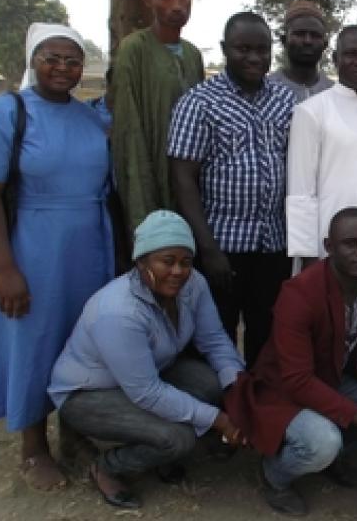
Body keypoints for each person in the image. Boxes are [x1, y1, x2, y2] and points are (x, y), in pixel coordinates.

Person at [0, 23, 114, 491]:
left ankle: (75, 435)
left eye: (73, 60)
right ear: (33, 59)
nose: (63, 68)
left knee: (81, 343)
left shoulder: (93, 117)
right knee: (33, 342)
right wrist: (6, 269)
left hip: (89, 246)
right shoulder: (6, 112)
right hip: (32, 247)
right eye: (52, 58)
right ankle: (33, 449)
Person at [224, 208, 357, 517]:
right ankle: (274, 474)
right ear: (329, 247)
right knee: (322, 443)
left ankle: (334, 459)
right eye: (351, 243)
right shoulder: (299, 294)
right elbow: (296, 380)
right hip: (283, 392)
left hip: (333, 379)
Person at [49, 210, 245, 509]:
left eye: (185, 261)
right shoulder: (118, 312)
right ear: (141, 262)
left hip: (149, 375)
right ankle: (106, 466)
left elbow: (215, 340)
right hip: (88, 394)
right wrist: (218, 419)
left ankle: (157, 451)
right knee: (177, 438)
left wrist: (237, 390)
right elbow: (147, 393)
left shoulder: (193, 285)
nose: (178, 271)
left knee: (211, 385)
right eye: (167, 261)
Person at [168, 12, 296, 368]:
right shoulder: (199, 102)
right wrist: (207, 248)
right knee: (216, 336)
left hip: (273, 244)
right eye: (243, 49)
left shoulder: (285, 102)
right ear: (226, 49)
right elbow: (182, 178)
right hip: (221, 246)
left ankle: (259, 412)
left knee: (268, 335)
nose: (254, 57)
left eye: (262, 49)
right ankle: (219, 415)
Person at [287, 25, 357, 281]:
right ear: (336, 59)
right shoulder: (311, 111)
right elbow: (300, 193)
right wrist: (307, 257)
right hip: (326, 244)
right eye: (351, 54)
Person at [110, 0, 204, 233]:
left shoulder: (192, 54)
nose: (176, 5)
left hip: (191, 183)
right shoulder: (133, 49)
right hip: (152, 175)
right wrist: (142, 209)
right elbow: (129, 133)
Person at [270, 0, 333, 102]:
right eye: (299, 34)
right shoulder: (265, 89)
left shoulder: (335, 92)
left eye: (315, 35)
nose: (307, 41)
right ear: (284, 40)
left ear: (325, 45)